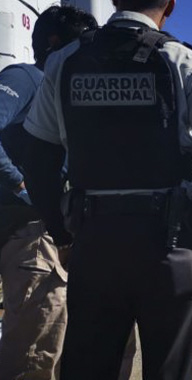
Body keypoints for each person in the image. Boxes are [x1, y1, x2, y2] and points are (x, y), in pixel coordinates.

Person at [21, 0, 192, 378]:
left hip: (95, 245)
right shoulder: (184, 61)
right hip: (168, 248)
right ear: (170, 4)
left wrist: (62, 235)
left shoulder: (64, 62)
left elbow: (37, 160)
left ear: (114, 1)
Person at [0, 6, 98, 380]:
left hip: (53, 229)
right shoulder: (26, 77)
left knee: (57, 342)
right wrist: (22, 184)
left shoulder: (61, 87)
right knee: (34, 351)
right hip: (29, 231)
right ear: (55, 44)